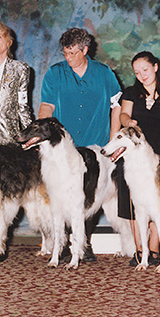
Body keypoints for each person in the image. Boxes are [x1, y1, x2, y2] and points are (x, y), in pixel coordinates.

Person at [39, 27, 122, 262]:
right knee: (61, 194)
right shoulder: (55, 74)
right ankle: (63, 244)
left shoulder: (105, 73)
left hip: (95, 143)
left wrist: (113, 141)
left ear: (85, 50)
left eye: (73, 53)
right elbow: (47, 108)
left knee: (89, 194)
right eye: (65, 53)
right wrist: (41, 135)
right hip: (63, 148)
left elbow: (117, 106)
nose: (68, 58)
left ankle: (83, 244)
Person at [119, 51, 160, 266]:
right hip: (134, 157)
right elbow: (123, 114)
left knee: (158, 204)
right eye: (137, 72)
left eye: (145, 70)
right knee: (132, 202)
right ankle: (140, 250)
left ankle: (155, 249)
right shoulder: (130, 93)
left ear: (156, 67)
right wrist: (128, 121)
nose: (141, 75)